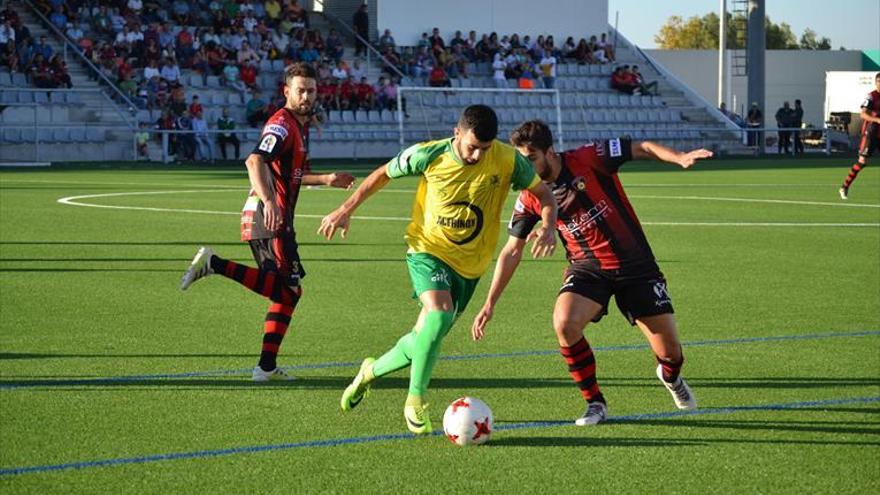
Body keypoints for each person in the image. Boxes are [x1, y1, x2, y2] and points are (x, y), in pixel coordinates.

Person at [319, 105, 558, 434]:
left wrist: (548, 226)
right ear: (457, 133)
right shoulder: (428, 154)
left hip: (471, 266)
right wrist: (346, 209)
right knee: (440, 313)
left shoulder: (506, 160)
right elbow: (384, 173)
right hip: (427, 250)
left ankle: (369, 372)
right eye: (472, 146)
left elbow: (545, 194)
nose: (476, 155)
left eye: (484, 149)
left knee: (424, 339)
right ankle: (414, 400)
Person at [472, 120, 710, 426]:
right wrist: (489, 304)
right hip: (588, 269)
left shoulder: (590, 157)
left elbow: (641, 147)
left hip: (636, 267)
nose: (525, 167)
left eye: (531, 159)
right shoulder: (530, 195)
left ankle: (671, 378)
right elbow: (512, 250)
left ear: (550, 152)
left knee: (671, 354)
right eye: (521, 161)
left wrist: (678, 157)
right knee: (564, 323)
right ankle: (595, 402)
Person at [180, 63, 356, 381]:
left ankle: (265, 368)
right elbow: (254, 160)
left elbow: (292, 175)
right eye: (300, 90)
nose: (306, 96)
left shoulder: (299, 126)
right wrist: (270, 200)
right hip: (268, 217)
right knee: (288, 291)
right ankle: (214, 265)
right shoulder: (282, 124)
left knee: (286, 292)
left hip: (269, 216)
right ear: (286, 91)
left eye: (311, 90)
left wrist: (328, 179)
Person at [840, 72, 880, 199]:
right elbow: (863, 114)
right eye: (879, 82)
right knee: (862, 161)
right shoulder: (872, 96)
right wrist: (877, 120)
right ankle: (844, 187)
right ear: (876, 83)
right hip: (871, 133)